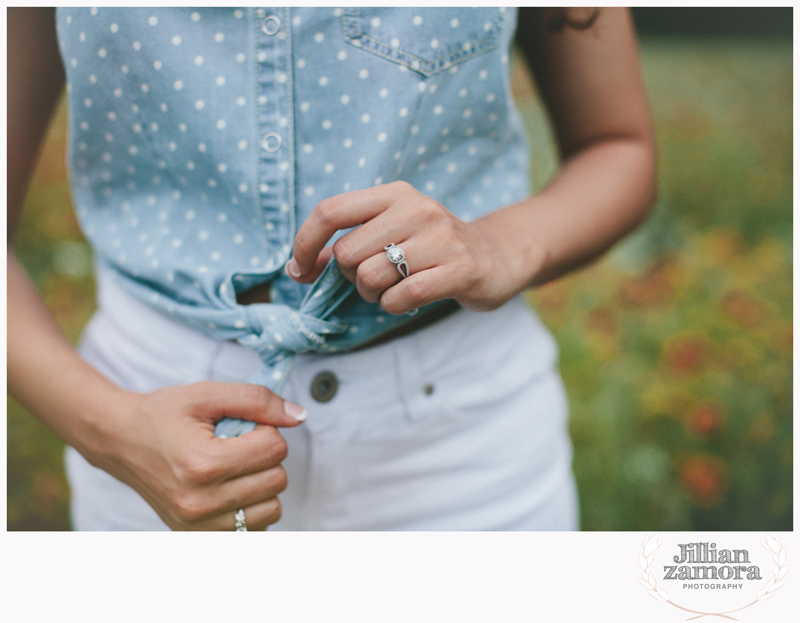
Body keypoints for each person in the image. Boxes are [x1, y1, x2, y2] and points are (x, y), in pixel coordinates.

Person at [8, 7, 655, 531]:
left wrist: (494, 245)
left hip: (461, 451)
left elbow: (618, 144)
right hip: (150, 426)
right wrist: (109, 428)